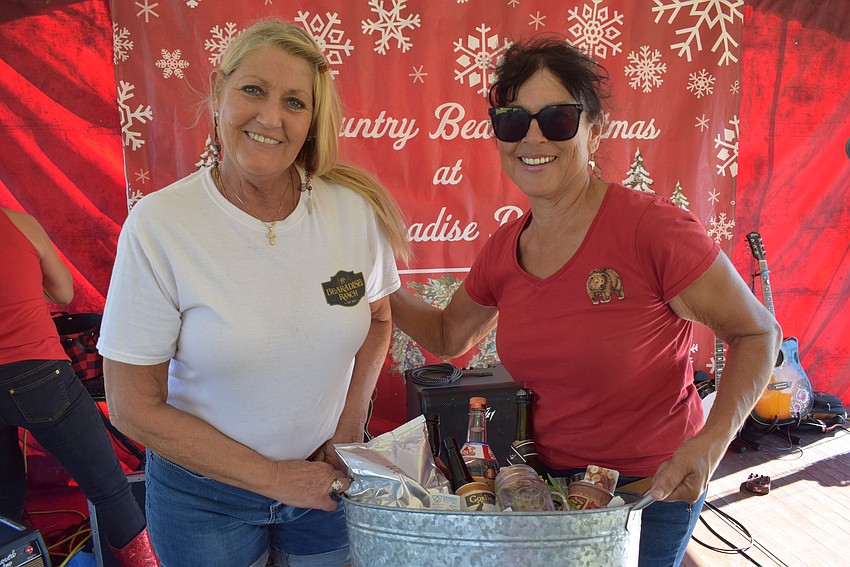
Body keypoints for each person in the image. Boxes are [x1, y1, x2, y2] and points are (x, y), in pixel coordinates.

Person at [389, 38, 781, 567]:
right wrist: (374, 280)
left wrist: (711, 444)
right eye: (512, 121)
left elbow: (758, 334)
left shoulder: (653, 229)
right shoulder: (505, 248)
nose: (532, 137)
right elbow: (446, 335)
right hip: (548, 496)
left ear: (594, 130)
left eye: (557, 118)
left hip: (649, 496)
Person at [97, 19, 409, 567]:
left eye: (295, 102)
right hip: (203, 497)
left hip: (324, 483)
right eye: (252, 90)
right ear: (218, 93)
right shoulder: (160, 225)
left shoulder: (352, 213)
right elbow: (131, 407)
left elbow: (378, 320)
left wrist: (345, 428)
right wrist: (273, 478)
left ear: (313, 122)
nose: (270, 118)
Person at [0, 207, 159, 566]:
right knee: (111, 491)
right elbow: (63, 293)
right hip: (37, 373)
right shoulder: (19, 223)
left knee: (4, 505)